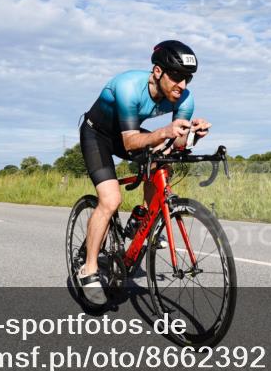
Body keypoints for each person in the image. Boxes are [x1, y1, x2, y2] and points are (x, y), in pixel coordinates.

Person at [77, 40, 212, 304]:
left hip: (130, 133)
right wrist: (163, 132)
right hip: (98, 135)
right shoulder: (129, 86)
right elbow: (129, 142)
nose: (182, 86)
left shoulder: (185, 97)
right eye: (176, 77)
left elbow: (176, 142)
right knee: (111, 200)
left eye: (187, 79)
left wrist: (194, 136)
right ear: (157, 72)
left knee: (164, 159)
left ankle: (142, 219)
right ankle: (89, 268)